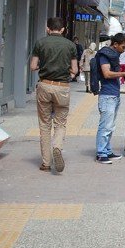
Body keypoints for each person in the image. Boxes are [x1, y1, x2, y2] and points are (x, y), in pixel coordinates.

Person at [30, 17, 78, 174]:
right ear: (63, 29)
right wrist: (67, 72)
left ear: (47, 28)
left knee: (44, 124)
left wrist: (42, 66)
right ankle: (57, 146)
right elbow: (75, 70)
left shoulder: (40, 43)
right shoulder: (70, 45)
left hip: (44, 85)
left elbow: (32, 66)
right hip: (62, 87)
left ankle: (46, 162)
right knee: (60, 123)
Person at [95, 33, 125, 165]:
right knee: (105, 126)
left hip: (114, 95)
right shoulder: (105, 55)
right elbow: (107, 73)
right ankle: (101, 153)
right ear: (115, 44)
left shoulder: (113, 55)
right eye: (123, 46)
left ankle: (107, 150)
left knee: (110, 126)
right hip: (107, 95)